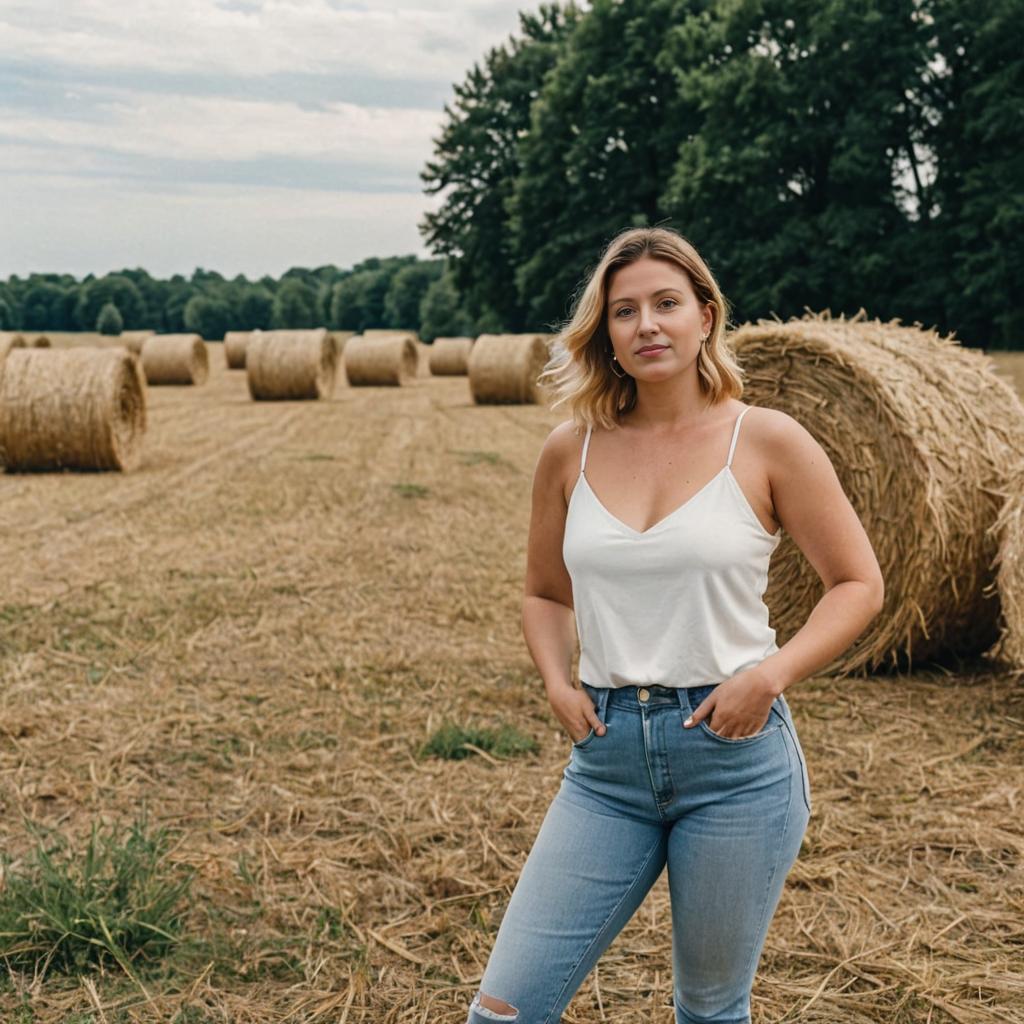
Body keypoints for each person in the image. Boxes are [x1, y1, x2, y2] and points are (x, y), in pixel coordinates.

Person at [465, 226, 884, 1024]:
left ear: (705, 316)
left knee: (709, 1011)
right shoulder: (570, 451)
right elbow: (544, 593)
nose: (647, 324)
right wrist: (557, 681)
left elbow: (859, 583)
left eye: (666, 303)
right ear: (607, 336)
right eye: (625, 312)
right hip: (607, 764)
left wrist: (771, 674)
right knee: (503, 1010)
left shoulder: (766, 440)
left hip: (736, 764)